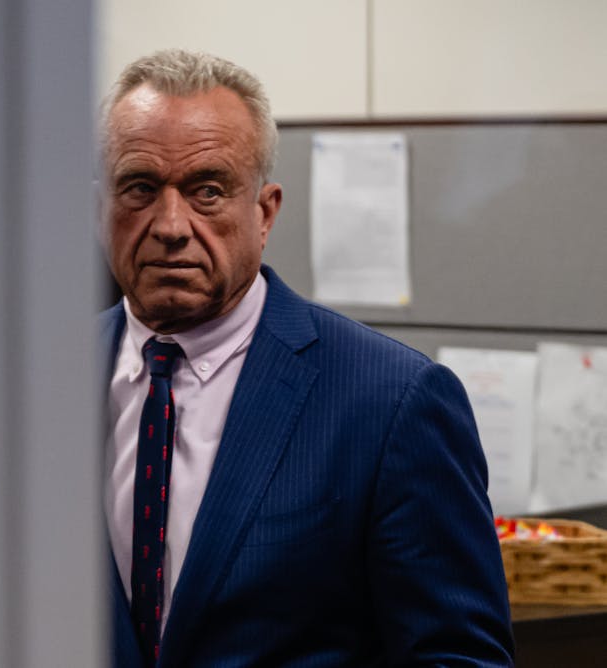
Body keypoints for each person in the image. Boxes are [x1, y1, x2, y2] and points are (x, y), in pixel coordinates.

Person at [99, 50, 514, 668]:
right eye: (140, 188)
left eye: (207, 191)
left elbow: (458, 658)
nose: (171, 225)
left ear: (264, 212)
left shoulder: (392, 402)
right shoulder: (32, 389)